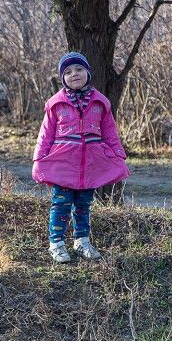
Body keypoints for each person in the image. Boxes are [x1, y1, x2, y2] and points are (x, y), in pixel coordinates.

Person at [32, 51, 130, 263]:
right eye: (67, 72)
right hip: (63, 165)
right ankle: (56, 243)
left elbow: (110, 131)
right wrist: (39, 159)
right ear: (62, 78)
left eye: (78, 69)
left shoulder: (100, 103)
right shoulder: (55, 104)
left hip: (90, 165)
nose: (74, 74)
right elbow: (45, 133)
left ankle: (81, 241)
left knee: (84, 204)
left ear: (88, 72)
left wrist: (118, 154)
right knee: (61, 203)